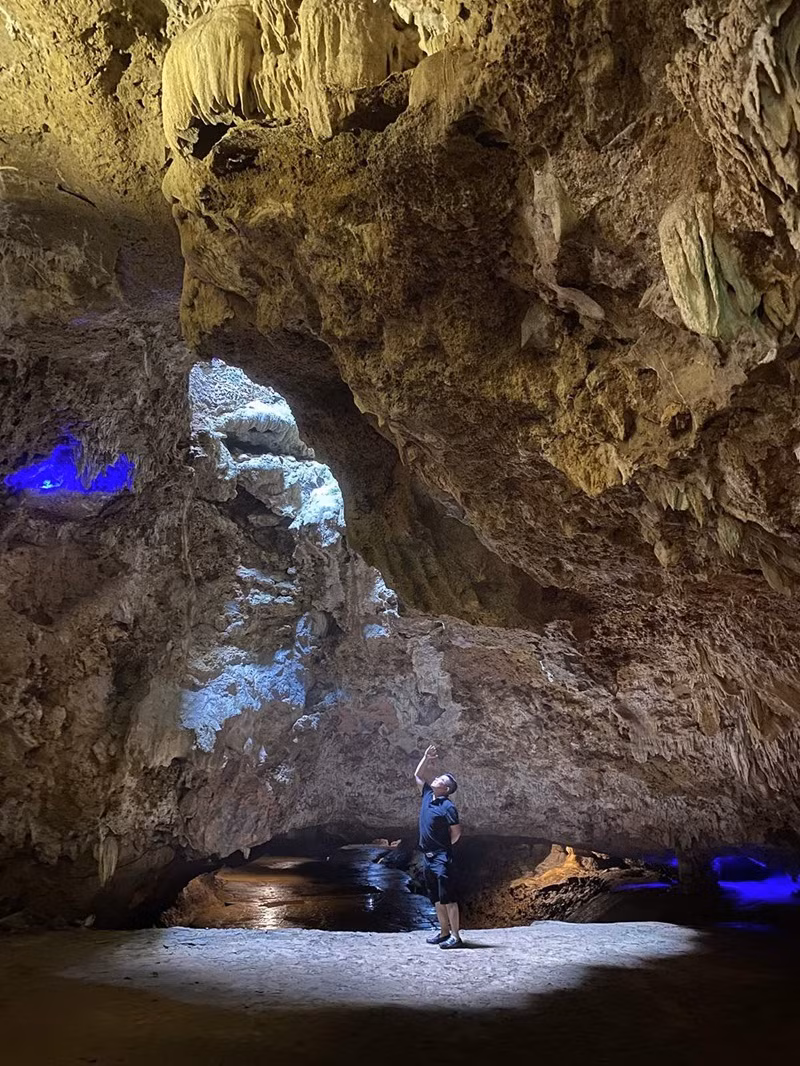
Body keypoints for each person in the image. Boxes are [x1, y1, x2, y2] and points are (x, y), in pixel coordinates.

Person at [415, 744, 463, 948]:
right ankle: (443, 932)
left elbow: (456, 833)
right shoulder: (427, 796)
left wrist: (442, 849)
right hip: (427, 857)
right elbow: (417, 775)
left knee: (448, 898)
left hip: (442, 858)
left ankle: (456, 937)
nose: (436, 779)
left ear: (446, 789)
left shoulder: (448, 807)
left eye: (441, 780)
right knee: (435, 897)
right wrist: (426, 757)